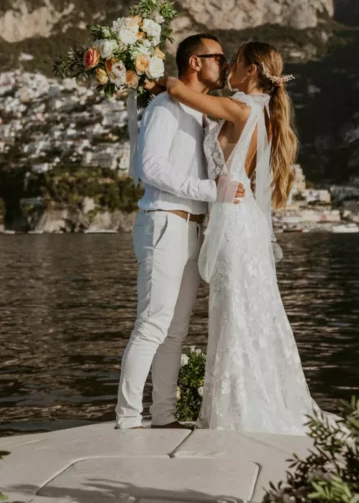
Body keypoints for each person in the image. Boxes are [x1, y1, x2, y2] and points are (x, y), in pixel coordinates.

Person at [158, 41, 321, 434]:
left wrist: (139, 71)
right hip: (241, 215)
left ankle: (237, 413)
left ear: (251, 71)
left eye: (237, 61)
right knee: (248, 309)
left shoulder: (241, 107)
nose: (229, 65)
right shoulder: (261, 113)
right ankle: (246, 402)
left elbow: (178, 90)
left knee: (234, 312)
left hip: (232, 219)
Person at [114, 33, 245, 430]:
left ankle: (164, 416)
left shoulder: (201, 113)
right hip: (164, 221)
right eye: (219, 58)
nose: (224, 65)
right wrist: (211, 191)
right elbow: (149, 168)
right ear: (194, 62)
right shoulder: (164, 107)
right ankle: (128, 418)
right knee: (153, 322)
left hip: (194, 229)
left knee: (176, 331)